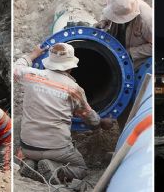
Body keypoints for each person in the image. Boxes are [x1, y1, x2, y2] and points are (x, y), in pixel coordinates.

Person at [14, 43, 113, 184]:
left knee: (32, 154)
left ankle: (30, 164)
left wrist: (32, 55)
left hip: (28, 146)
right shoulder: (74, 89)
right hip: (57, 149)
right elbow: (90, 119)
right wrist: (102, 123)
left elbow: (16, 68)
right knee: (81, 168)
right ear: (71, 66)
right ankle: (56, 169)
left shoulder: (31, 76)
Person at [95, 0, 152, 69]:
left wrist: (130, 53)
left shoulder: (147, 19)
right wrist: (104, 21)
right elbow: (110, 9)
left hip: (132, 58)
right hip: (117, 41)